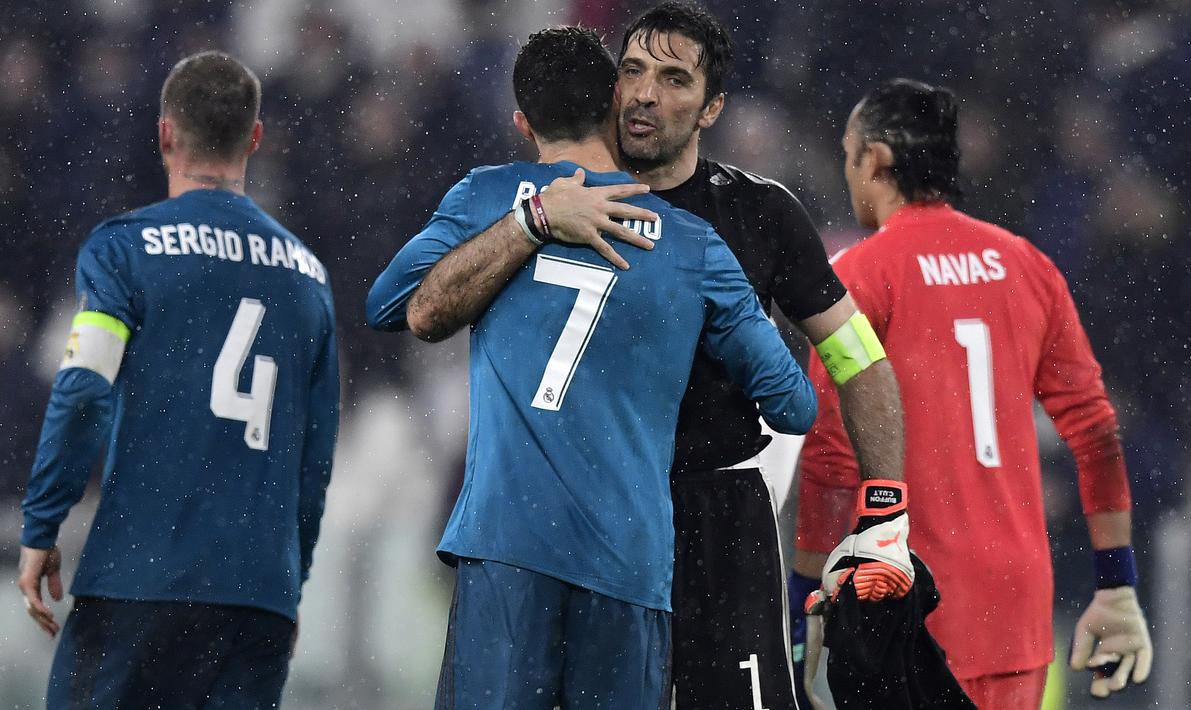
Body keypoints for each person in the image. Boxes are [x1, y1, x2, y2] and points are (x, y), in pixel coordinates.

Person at [366, 27, 817, 710]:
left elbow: (388, 305)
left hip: (507, 543)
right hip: (628, 561)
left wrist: (529, 221)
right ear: (616, 101)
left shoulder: (487, 197)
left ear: (522, 123)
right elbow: (793, 406)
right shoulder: (695, 245)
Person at [794, 78, 1153, 709]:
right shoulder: (1027, 264)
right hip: (1016, 604)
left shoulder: (858, 275)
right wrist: (1116, 583)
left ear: (874, 160)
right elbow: (1095, 431)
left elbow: (831, 452)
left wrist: (803, 608)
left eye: (849, 155)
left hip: (908, 600)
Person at [16, 51, 339, 709]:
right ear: (253, 138)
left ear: (165, 134)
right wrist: (288, 583)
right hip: (255, 598)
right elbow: (315, 457)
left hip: (142, 578)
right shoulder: (309, 278)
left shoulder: (123, 249)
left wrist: (42, 525)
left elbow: (82, 390)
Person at [614, 5, 912, 708]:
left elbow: (857, 358)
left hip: (720, 514)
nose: (645, 93)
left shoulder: (760, 213)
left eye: (672, 78)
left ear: (712, 106)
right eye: (631, 71)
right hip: (601, 508)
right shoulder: (570, 202)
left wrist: (885, 512)